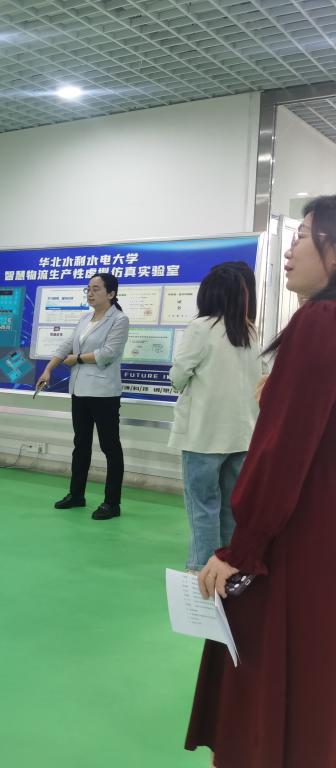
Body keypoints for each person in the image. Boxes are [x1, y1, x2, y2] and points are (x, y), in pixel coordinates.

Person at [186, 195, 336, 767]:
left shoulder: (319, 323)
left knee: (269, 666)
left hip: (297, 538)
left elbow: (283, 453)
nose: (291, 248)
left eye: (305, 235)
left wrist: (241, 549)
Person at [168, 265, 260, 571]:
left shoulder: (201, 327)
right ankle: (228, 566)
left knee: (202, 506)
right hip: (242, 435)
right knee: (230, 507)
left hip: (203, 435)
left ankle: (201, 568)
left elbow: (178, 376)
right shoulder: (248, 331)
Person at [36, 273, 130, 520]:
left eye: (96, 289)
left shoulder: (119, 320)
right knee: (81, 444)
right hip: (79, 390)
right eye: (88, 288)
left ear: (111, 294)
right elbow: (66, 345)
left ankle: (112, 503)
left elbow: (108, 353)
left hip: (103, 393)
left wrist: (77, 359)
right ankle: (76, 494)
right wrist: (48, 369)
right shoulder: (85, 318)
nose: (90, 293)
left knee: (110, 446)